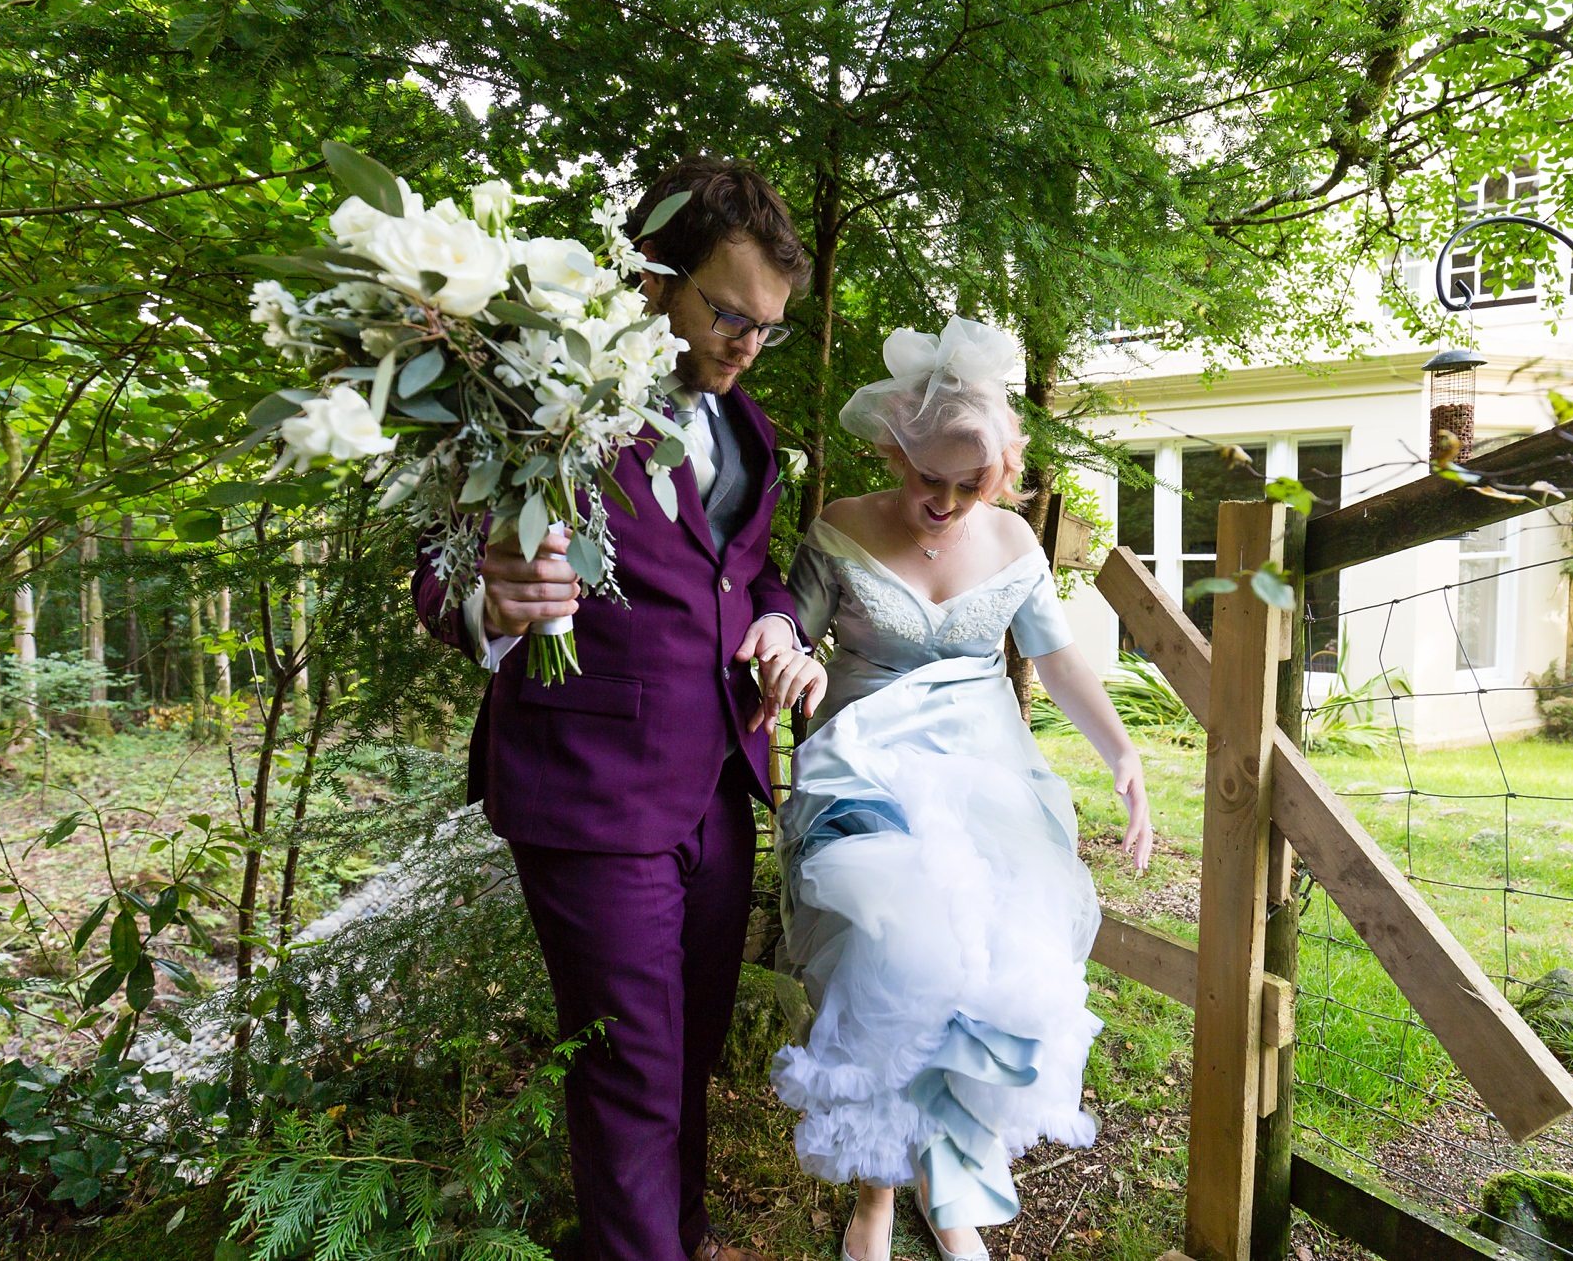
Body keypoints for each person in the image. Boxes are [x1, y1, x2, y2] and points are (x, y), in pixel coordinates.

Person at [413, 156, 827, 1261]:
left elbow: (748, 573)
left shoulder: (751, 433)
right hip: (591, 794)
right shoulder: (544, 395)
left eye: (768, 325)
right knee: (629, 1072)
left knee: (682, 1056)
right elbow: (440, 570)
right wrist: (488, 595)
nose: (746, 341)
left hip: (720, 786)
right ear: (652, 280)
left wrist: (781, 623)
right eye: (728, 311)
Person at [770, 317, 1154, 1261]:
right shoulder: (842, 527)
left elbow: (1057, 662)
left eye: (967, 484)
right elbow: (784, 624)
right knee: (899, 954)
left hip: (984, 774)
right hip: (862, 768)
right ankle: (876, 1190)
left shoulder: (1015, 540)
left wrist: (1124, 755)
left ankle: (955, 1191)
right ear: (894, 448)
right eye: (923, 476)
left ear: (1002, 469)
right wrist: (788, 657)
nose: (942, 502)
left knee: (997, 961)